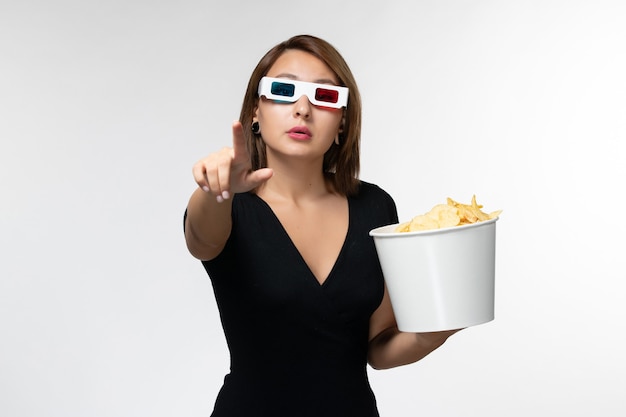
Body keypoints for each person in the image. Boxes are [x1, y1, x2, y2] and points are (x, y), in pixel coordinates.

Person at [184, 34, 460, 417]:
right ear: (255, 112)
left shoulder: (375, 206)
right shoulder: (228, 206)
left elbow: (377, 347)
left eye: (325, 97)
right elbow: (200, 240)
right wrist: (216, 190)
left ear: (343, 121)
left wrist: (433, 333)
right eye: (283, 90)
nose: (302, 108)